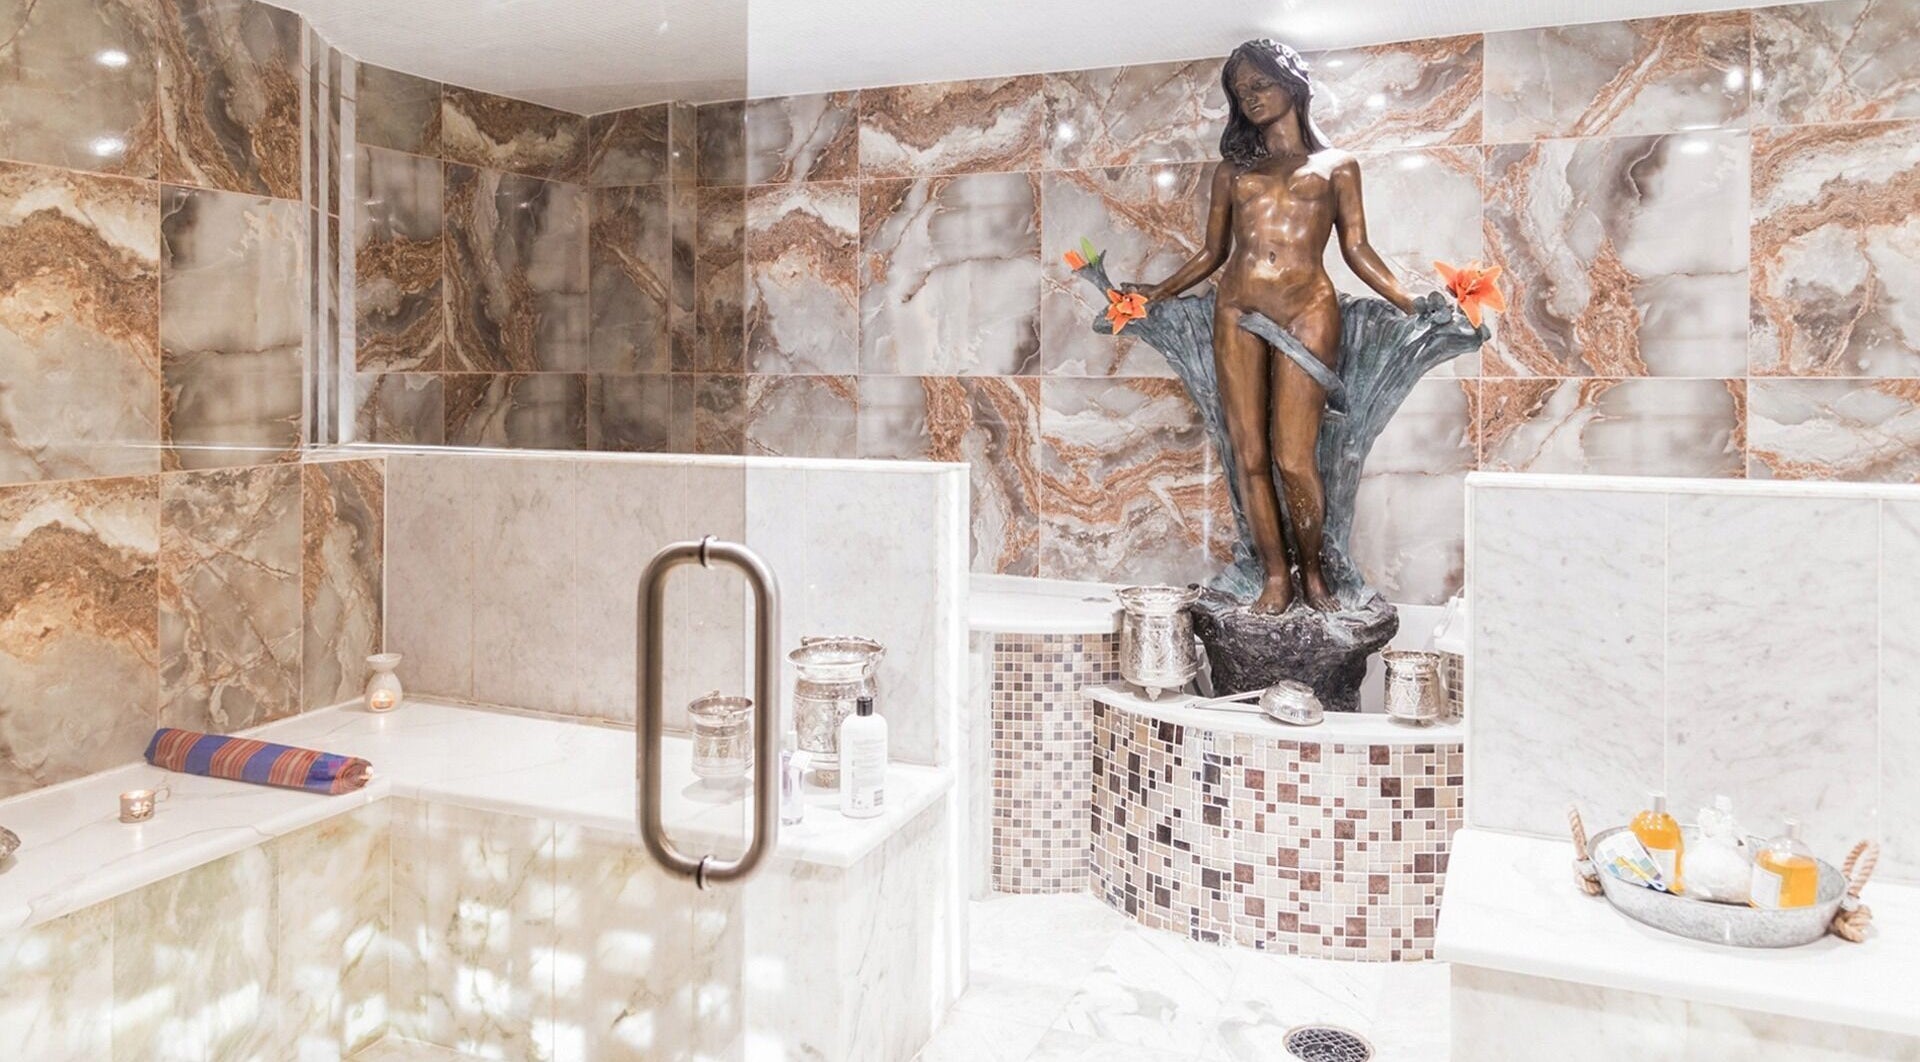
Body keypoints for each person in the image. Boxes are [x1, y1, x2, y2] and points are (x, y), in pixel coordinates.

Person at [1136, 39, 1417, 613]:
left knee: (1293, 456)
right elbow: (1211, 253)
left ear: (1293, 84)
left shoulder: (1337, 166)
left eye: (1260, 84)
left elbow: (1358, 249)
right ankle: (1274, 577)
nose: (1251, 98)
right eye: (1241, 92)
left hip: (1307, 308)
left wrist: (1412, 302)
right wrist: (1154, 294)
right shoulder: (1233, 172)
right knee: (1249, 454)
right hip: (1237, 309)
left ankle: (1313, 572)